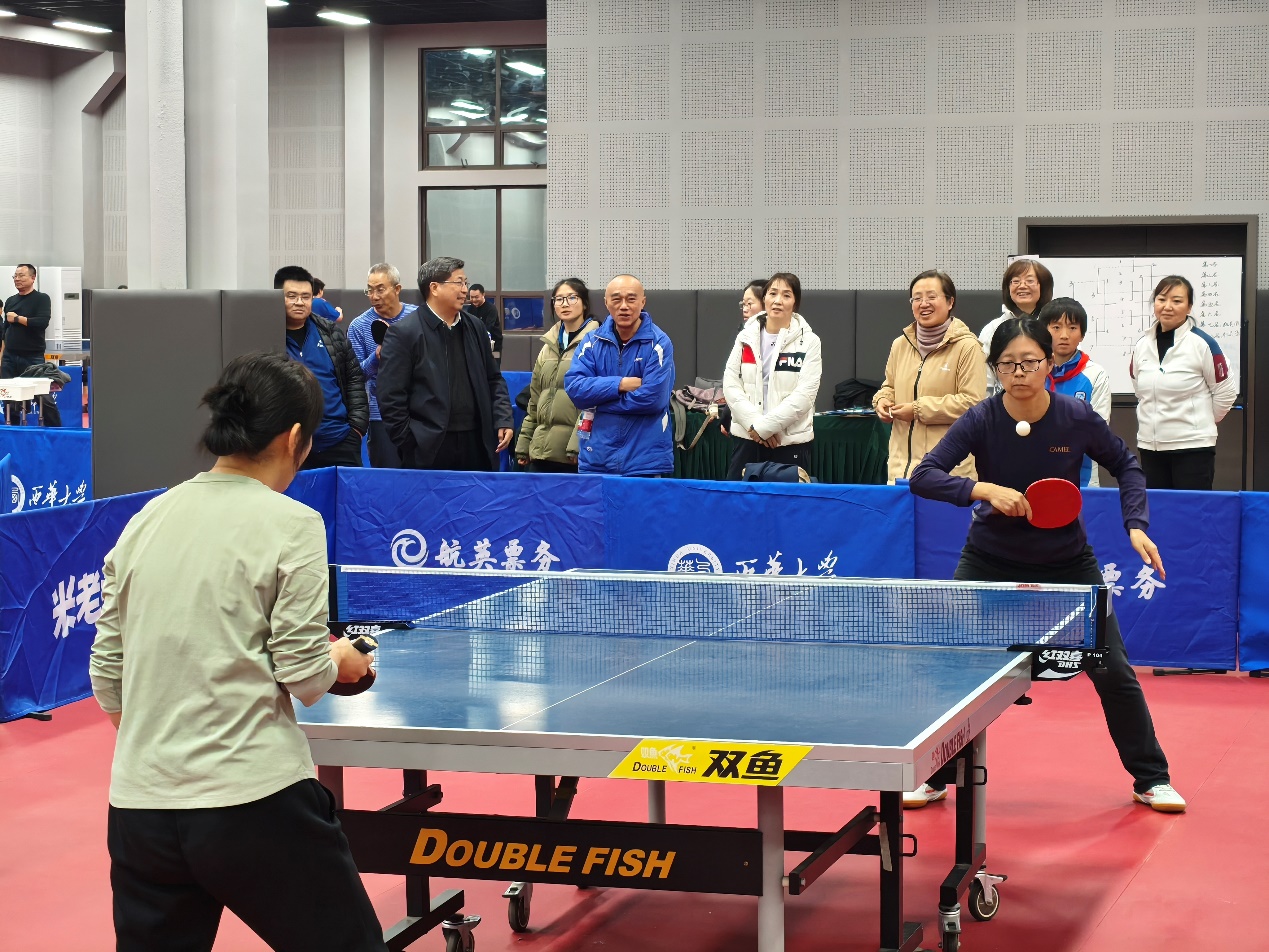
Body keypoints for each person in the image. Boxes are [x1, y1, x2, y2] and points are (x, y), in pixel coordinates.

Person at [88, 352, 387, 952]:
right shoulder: (293, 523)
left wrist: (170, 750)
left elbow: (107, 674)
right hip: (257, 804)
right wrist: (342, 661)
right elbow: (304, 673)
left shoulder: (146, 518)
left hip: (141, 812)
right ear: (295, 439)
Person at [908, 317, 1185, 814]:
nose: (1020, 373)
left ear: (1048, 363)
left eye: (1030, 362)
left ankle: (1152, 778)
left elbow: (1126, 464)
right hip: (990, 559)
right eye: (1008, 364)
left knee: (1113, 669)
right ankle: (935, 775)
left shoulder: (1075, 417)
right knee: (954, 667)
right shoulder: (981, 419)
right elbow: (923, 475)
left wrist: (1136, 523)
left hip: (1067, 560)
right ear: (996, 369)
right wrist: (981, 489)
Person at [377, 256, 513, 471]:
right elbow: (390, 396)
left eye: (465, 283)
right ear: (434, 288)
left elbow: (494, 379)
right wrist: (411, 442)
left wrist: (503, 418)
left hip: (477, 444)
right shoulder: (404, 333)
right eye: (458, 283)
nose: (465, 290)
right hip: (428, 448)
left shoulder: (475, 327)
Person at [873, 270, 986, 483]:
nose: (924, 303)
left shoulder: (968, 347)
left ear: (950, 302)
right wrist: (882, 400)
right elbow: (889, 386)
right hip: (900, 470)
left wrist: (917, 410)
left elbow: (972, 403)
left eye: (931, 297)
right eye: (917, 298)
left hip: (947, 471)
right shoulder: (900, 344)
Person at [1130, 275, 1236, 491]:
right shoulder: (1142, 345)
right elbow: (1140, 390)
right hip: (1150, 447)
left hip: (1193, 448)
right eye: (1161, 299)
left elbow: (1226, 392)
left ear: (1189, 307)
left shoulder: (1203, 344)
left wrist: (1199, 422)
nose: (1167, 306)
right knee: (1157, 509)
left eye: (1177, 301)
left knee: (1191, 510)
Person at [564, 274, 675, 476]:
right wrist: (620, 384)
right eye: (616, 299)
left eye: (631, 299)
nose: (624, 306)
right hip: (596, 458)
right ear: (606, 302)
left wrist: (598, 402)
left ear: (643, 302)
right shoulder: (591, 342)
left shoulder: (659, 343)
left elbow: (653, 399)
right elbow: (575, 388)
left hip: (644, 461)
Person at [722, 272, 822, 479]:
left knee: (786, 500)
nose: (778, 300)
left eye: (786, 295)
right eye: (773, 293)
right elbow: (731, 384)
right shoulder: (745, 337)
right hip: (748, 438)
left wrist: (765, 428)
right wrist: (755, 426)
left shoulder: (810, 341)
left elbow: (805, 395)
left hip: (789, 443)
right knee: (740, 498)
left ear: (795, 303)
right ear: (765, 298)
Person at [275, 266, 367, 469]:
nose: (300, 302)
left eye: (306, 297)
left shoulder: (331, 332)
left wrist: (357, 429)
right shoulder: (266, 336)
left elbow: (354, 378)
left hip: (339, 440)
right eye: (291, 296)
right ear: (276, 297)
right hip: (288, 447)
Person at [516, 278, 600, 473]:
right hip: (541, 451)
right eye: (559, 299)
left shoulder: (596, 344)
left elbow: (594, 402)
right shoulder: (548, 347)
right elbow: (535, 400)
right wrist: (524, 443)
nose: (565, 304)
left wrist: (578, 444)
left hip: (574, 456)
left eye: (572, 298)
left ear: (584, 303)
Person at [346, 263, 419, 468]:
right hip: (381, 415)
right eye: (370, 290)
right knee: (387, 477)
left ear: (397, 289)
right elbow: (355, 375)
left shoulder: (418, 317)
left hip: (420, 412)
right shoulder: (358, 326)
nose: (374, 296)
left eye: (380, 289)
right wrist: (376, 358)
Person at [1041, 297, 1111, 487]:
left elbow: (1099, 428)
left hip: (1083, 477)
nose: (1064, 335)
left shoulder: (1095, 374)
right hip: (1037, 471)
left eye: (1072, 328)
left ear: (1082, 335)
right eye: (1056, 327)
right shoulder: (1034, 371)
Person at [979, 259, 1054, 394]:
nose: (1022, 286)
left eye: (1030, 281)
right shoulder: (993, 328)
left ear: (1043, 286)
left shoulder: (1055, 326)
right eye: (1016, 281)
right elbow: (985, 378)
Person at [1, 263, 52, 388]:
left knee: (36, 393)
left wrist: (17, 318)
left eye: (21, 275)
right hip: (9, 357)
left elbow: (42, 323)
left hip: (32, 357)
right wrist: (2, 355)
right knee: (9, 394)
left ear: (33, 278)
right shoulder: (10, 300)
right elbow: (5, 330)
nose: (17, 279)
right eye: (15, 276)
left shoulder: (42, 298)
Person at [465, 283, 503, 365]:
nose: (474, 300)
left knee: (493, 367)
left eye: (476, 297)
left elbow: (489, 327)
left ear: (483, 295)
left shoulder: (491, 309)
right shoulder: (470, 309)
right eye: (471, 297)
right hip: (476, 344)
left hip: (493, 344)